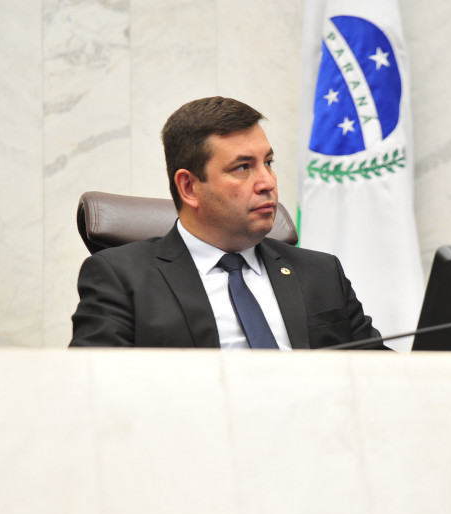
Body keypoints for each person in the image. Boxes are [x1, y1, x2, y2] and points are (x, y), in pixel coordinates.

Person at [69, 96, 381, 349]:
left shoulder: (321, 273)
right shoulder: (122, 278)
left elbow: (385, 374)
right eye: (243, 167)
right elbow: (92, 389)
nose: (267, 182)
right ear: (189, 188)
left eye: (268, 163)